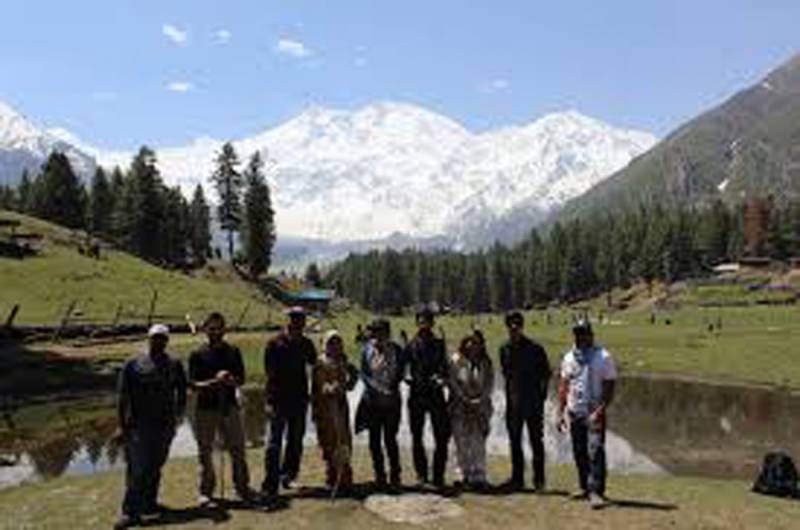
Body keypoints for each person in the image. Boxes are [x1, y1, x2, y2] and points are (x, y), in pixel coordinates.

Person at [114, 324, 187, 529]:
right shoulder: (133, 364)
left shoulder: (174, 364)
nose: (159, 341)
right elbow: (122, 397)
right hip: (138, 427)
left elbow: (182, 391)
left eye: (163, 338)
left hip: (165, 426)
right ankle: (130, 512)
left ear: (167, 340)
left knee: (156, 466)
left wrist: (178, 415)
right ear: (149, 338)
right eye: (155, 337)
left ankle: (149, 504)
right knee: (137, 470)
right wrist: (122, 426)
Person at [188, 312, 254, 506]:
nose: (215, 332)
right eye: (212, 328)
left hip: (229, 407)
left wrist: (230, 380)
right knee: (205, 451)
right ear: (205, 330)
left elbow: (241, 379)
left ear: (224, 329)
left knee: (238, 449)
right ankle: (206, 492)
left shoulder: (233, 351)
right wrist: (215, 381)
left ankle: (242, 487)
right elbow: (193, 385)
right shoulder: (197, 354)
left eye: (219, 328)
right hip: (205, 409)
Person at [557, 320, 617, 509]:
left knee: (595, 451)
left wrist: (601, 410)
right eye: (577, 334)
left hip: (594, 413)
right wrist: (560, 412)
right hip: (575, 411)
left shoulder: (603, 357)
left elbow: (610, 387)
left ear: (591, 335)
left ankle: (597, 492)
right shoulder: (569, 357)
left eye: (583, 333)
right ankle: (584, 486)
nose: (580, 337)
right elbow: (564, 386)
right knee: (579, 451)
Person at [261, 306, 317, 500]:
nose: (298, 323)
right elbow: (269, 374)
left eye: (301, 319)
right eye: (294, 319)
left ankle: (288, 476)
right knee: (274, 443)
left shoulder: (306, 343)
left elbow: (315, 364)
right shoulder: (274, 343)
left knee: (295, 441)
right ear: (289, 321)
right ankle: (270, 482)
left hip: (300, 400)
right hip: (278, 400)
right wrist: (269, 401)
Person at [500, 310, 551, 491]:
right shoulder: (504, 349)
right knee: (515, 441)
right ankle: (517, 479)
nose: (514, 328)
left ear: (522, 326)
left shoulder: (535, 349)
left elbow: (546, 375)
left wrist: (541, 398)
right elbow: (507, 376)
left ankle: (539, 481)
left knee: (536, 441)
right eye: (511, 325)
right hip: (513, 404)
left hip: (533, 404)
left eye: (517, 324)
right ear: (507, 327)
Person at [356, 318, 405, 490]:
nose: (376, 335)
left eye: (379, 332)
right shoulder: (367, 349)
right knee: (374, 441)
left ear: (387, 333)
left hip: (392, 401)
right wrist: (375, 388)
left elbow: (401, 372)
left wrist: (390, 388)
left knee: (390, 439)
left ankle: (395, 475)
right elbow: (364, 373)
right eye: (373, 332)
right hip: (372, 402)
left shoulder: (397, 350)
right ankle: (380, 475)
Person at [405, 307, 450, 488]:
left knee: (441, 435)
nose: (423, 324)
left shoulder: (439, 344)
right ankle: (421, 475)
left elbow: (445, 368)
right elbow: (405, 367)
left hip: (435, 394)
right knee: (417, 436)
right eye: (421, 320)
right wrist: (407, 376)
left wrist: (441, 378)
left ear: (432, 323)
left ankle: (438, 475)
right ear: (417, 322)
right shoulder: (410, 345)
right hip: (416, 393)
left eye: (427, 320)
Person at [311, 330, 359, 493]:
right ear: (325, 344)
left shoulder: (343, 360)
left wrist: (350, 384)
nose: (335, 346)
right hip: (325, 408)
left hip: (341, 406)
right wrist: (329, 388)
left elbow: (354, 374)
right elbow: (319, 384)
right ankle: (332, 477)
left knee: (344, 439)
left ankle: (345, 476)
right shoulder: (320, 362)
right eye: (331, 343)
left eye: (338, 342)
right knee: (329, 441)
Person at [448, 331, 494, 491]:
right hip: (460, 406)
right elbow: (453, 382)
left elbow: (489, 384)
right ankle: (461, 474)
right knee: (461, 441)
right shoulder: (456, 360)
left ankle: (478, 475)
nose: (472, 345)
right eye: (469, 342)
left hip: (480, 408)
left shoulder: (486, 362)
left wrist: (480, 400)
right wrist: (465, 399)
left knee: (478, 441)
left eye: (476, 342)